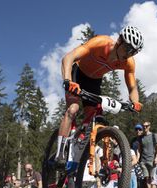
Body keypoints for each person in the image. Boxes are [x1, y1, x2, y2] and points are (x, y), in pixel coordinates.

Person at [55, 26, 144, 165]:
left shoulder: (128, 62)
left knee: (92, 120)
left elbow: (132, 87)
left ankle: (78, 155)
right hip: (77, 73)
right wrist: (68, 81)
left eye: (133, 52)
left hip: (94, 82)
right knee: (73, 109)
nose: (129, 54)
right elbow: (68, 57)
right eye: (127, 48)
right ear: (119, 40)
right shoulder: (101, 43)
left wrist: (135, 103)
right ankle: (60, 153)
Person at [138, 121, 157, 188]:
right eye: (143, 126)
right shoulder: (141, 137)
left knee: (153, 178)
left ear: (149, 126)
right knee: (147, 178)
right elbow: (139, 149)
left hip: (152, 159)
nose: (145, 127)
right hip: (143, 160)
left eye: (146, 126)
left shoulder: (154, 135)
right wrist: (138, 159)